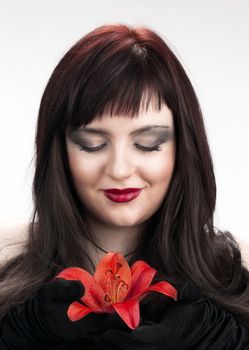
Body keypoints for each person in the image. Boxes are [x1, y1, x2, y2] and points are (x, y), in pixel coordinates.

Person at [0, 23, 249, 349]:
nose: (119, 170)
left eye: (147, 143)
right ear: (58, 152)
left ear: (183, 150)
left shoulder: (241, 267)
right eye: (91, 144)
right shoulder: (4, 257)